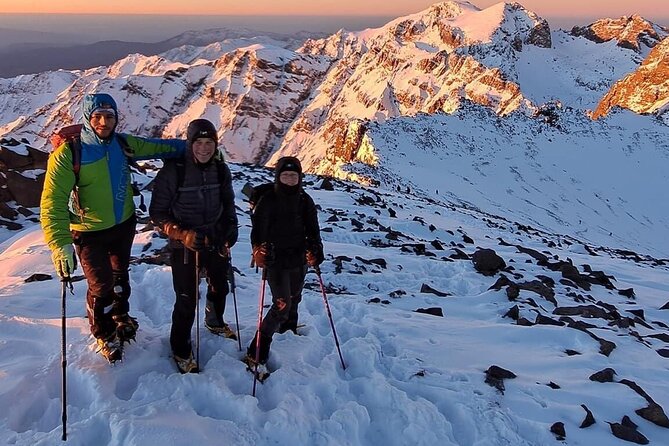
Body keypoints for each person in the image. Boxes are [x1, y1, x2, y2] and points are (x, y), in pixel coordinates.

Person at [40, 93, 186, 363]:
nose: (104, 122)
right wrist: (60, 245)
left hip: (123, 225)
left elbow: (158, 148)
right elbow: (52, 203)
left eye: (109, 116)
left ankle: (121, 315)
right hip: (88, 232)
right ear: (87, 118)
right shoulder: (69, 154)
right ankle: (104, 332)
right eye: (97, 116)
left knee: (120, 275)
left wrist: (197, 147)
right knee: (101, 285)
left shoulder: (122, 143)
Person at [149, 119, 238, 374]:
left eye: (209, 143)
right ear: (189, 144)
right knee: (186, 299)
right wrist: (182, 234)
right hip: (184, 245)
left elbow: (229, 203)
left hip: (215, 237)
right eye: (198, 142)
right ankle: (180, 347)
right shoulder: (173, 172)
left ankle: (214, 320)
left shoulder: (220, 170)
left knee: (220, 286)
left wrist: (231, 228)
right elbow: (157, 213)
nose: (204, 148)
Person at [244, 156, 324, 377]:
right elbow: (257, 233)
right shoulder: (268, 201)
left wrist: (316, 251)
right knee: (281, 305)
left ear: (300, 177)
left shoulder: (305, 201)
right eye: (285, 175)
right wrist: (258, 252)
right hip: (275, 261)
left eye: (293, 175)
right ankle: (257, 349)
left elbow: (313, 232)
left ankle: (288, 331)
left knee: (295, 298)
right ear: (278, 177)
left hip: (298, 260)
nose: (289, 179)